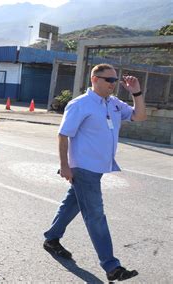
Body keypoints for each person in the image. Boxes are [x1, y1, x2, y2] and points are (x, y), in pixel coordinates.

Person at [43, 63, 147, 281]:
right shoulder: (80, 104)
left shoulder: (114, 104)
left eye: (116, 80)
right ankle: (111, 266)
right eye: (109, 80)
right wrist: (65, 165)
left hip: (99, 167)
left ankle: (51, 238)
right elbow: (63, 135)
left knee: (73, 203)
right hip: (83, 167)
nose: (114, 84)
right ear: (95, 79)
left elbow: (139, 116)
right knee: (96, 215)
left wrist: (136, 92)